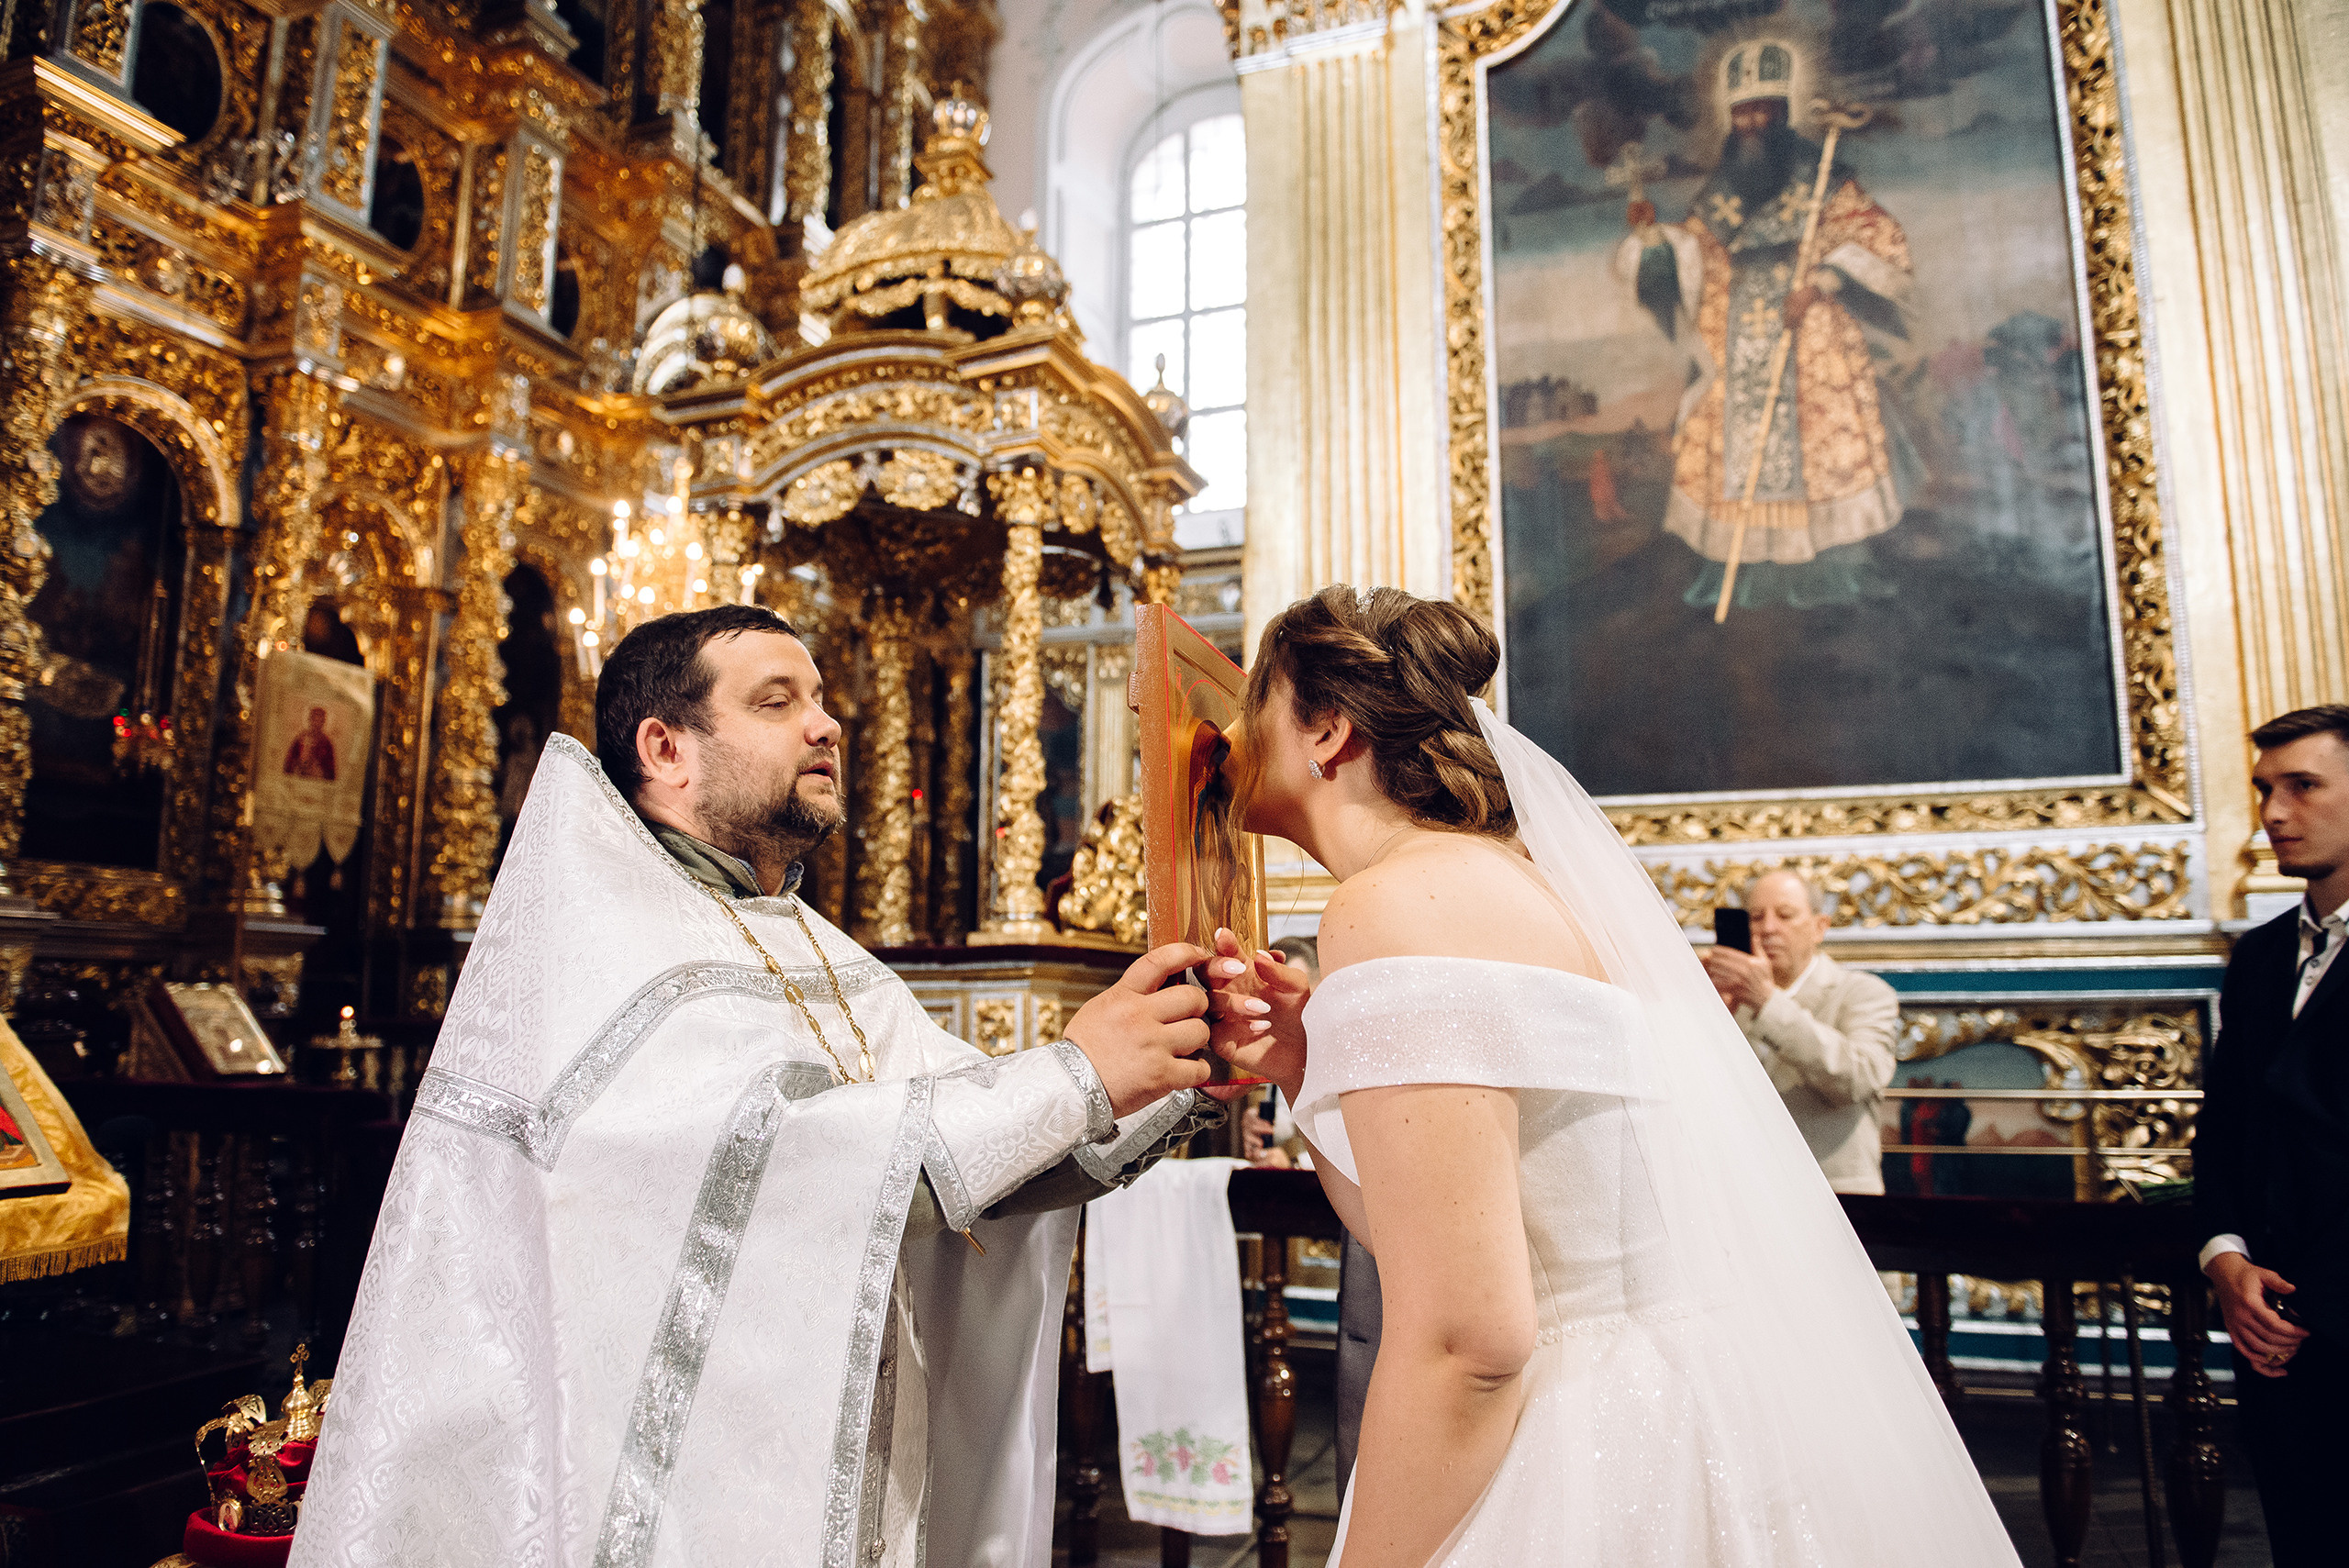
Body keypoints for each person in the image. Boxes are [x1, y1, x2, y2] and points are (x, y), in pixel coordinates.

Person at [294, 605, 1236, 1568]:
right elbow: (795, 1164)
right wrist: (1077, 1073)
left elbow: (985, 1147)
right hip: (668, 1490)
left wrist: (1178, 1067)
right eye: (777, 701)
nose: (826, 724)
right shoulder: (607, 948)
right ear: (666, 747)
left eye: (821, 700)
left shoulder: (818, 951)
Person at [1206, 585, 2014, 1564]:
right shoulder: (1520, 880)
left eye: (1255, 699)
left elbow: (1470, 1339)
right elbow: (1433, 1241)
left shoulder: (1389, 904)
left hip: (1583, 1435)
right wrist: (1299, 1066)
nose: (1226, 728)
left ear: (1326, 732)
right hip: (1696, 1395)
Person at [1618, 39, 1914, 609]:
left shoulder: (1821, 174)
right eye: (1740, 112)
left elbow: (1878, 237)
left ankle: (1837, 568)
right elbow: (1693, 257)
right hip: (1738, 328)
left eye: (1762, 109)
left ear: (1782, 110)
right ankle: (1740, 569)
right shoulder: (1723, 190)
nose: (1750, 122)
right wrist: (1652, 242)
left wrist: (1822, 282)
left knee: (1822, 438)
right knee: (1728, 440)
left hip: (1810, 325)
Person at [2194, 705, 2349, 1566]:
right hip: (2272, 1335)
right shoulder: (2256, 959)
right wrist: (2226, 1261)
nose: (2275, 812)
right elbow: (2224, 1133)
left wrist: (2313, 1302)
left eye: (2303, 786)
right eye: (2264, 790)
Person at [1700, 868, 1899, 1194]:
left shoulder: (1863, 993)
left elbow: (1858, 1077)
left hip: (1836, 1196)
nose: (1768, 929)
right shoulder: (1728, 1000)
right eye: (1755, 917)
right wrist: (1711, 1010)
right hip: (1742, 1194)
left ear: (1819, 927)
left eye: (1785, 915)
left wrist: (1767, 1001)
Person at [283, 706, 337, 780]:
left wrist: (319, 771)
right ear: (310, 720)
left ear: (323, 722)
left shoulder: (326, 743)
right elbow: (289, 763)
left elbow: (330, 771)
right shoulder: (300, 739)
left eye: (320, 721)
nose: (317, 724)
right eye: (314, 720)